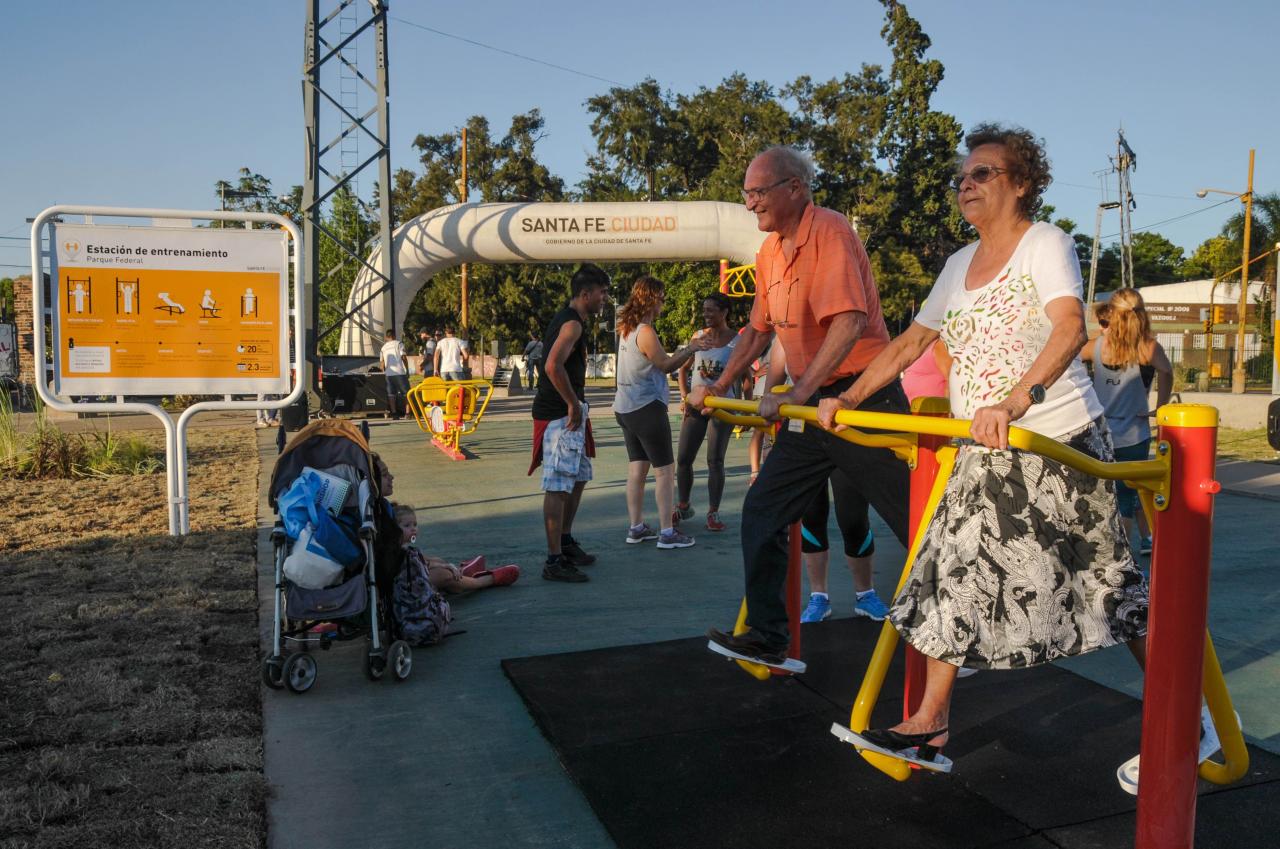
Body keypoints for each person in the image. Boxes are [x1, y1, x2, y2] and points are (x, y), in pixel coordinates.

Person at [815, 123, 1153, 773]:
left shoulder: (1044, 243)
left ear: (1021, 182)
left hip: (1055, 438)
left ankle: (1191, 714)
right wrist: (847, 395)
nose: (966, 185)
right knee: (948, 567)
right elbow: (911, 342)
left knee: (1113, 592)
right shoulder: (957, 265)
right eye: (961, 177)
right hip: (986, 446)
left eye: (982, 173)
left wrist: (1017, 399)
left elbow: (1068, 326)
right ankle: (930, 721)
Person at [686, 145, 912, 668]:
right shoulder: (769, 253)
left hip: (863, 398)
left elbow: (849, 322)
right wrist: (717, 385)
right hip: (812, 407)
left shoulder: (830, 231)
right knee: (763, 511)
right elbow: (756, 332)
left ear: (795, 188)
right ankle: (769, 636)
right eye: (746, 194)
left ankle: (961, 633)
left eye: (757, 192)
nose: (749, 204)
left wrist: (796, 391)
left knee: (913, 521)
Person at [757, 342, 888, 624]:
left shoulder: (845, 328)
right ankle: (819, 597)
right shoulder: (785, 335)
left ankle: (865, 594)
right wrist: (769, 441)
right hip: (803, 427)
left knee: (853, 516)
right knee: (812, 516)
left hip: (842, 423)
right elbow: (772, 390)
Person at [612, 276, 711, 549]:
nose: (663, 304)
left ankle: (636, 527)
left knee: (637, 469)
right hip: (646, 408)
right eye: (662, 298)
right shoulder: (645, 331)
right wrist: (691, 347)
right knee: (665, 472)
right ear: (652, 299)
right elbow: (665, 365)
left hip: (626, 407)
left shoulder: (627, 327)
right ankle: (667, 532)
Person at [529, 265, 611, 582]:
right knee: (559, 484)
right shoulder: (572, 324)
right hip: (559, 415)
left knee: (578, 477)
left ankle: (564, 542)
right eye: (602, 293)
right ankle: (553, 561)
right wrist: (572, 403)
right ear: (585, 293)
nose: (605, 298)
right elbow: (552, 366)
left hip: (570, 412)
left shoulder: (572, 319)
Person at [1081, 290, 1173, 556]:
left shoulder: (1096, 346)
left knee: (1106, 495)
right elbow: (1166, 371)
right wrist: (1161, 407)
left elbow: (1068, 360)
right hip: (1134, 432)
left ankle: (1117, 551)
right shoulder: (1148, 347)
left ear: (1111, 313)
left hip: (1101, 432)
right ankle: (1127, 554)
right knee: (1129, 494)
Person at [675, 292, 739, 532]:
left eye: (711, 310)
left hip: (723, 407)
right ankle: (683, 505)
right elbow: (683, 369)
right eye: (704, 310)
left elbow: (745, 378)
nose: (706, 314)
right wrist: (684, 397)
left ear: (724, 312)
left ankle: (713, 511)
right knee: (684, 458)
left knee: (715, 460)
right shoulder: (698, 336)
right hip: (695, 406)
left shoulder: (737, 341)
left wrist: (744, 409)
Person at [392, 503, 520, 592]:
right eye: (407, 526)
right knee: (444, 574)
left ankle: (462, 573)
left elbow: (419, 559)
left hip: (409, 579)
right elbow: (417, 565)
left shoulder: (401, 546)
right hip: (403, 586)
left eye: (415, 524)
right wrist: (443, 566)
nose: (413, 529)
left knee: (438, 561)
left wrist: (440, 563)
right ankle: (485, 580)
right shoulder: (394, 548)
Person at [380, 329, 409, 420]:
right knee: (406, 393)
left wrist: (383, 372)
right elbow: (403, 357)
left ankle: (394, 413)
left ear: (386, 337)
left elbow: (382, 362)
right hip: (400, 372)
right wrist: (407, 369)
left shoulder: (383, 347)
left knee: (391, 394)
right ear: (394, 335)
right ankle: (407, 413)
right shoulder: (399, 344)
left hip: (388, 374)